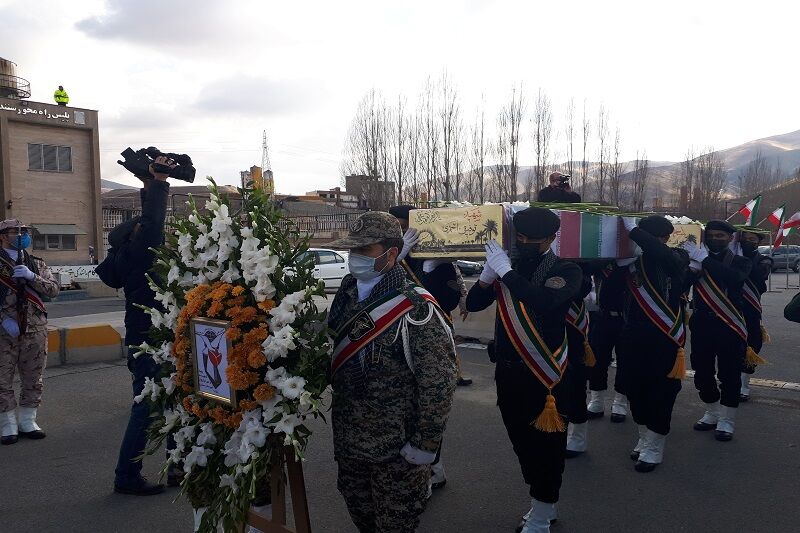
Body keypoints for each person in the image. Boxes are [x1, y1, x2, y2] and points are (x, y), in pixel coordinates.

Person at [325, 211, 458, 533]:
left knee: (395, 525)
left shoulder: (416, 307)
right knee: (362, 517)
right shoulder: (348, 290)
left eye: (365, 250)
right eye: (352, 250)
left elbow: (438, 383)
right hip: (350, 438)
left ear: (392, 253)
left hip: (396, 449)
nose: (355, 258)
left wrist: (424, 446)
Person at [466, 207, 582, 533]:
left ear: (551, 238)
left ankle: (544, 513)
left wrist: (506, 273)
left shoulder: (566, 269)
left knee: (546, 447)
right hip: (508, 371)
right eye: (519, 236)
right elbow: (473, 305)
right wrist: (489, 276)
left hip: (546, 376)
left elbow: (544, 302)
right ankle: (541, 500)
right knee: (521, 443)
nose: (524, 242)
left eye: (531, 238)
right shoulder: (509, 267)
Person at [99, 156, 174, 495]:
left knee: (170, 402)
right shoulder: (141, 253)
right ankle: (126, 477)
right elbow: (153, 222)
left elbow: (151, 223)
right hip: (150, 341)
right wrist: (157, 182)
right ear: (137, 237)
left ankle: (179, 465)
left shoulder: (130, 257)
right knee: (147, 408)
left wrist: (148, 182)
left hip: (145, 339)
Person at [388, 204, 469, 492]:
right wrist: (401, 256)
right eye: (396, 226)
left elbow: (443, 303)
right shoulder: (389, 255)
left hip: (426, 343)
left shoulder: (438, 258)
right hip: (394, 341)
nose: (401, 232)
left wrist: (431, 269)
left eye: (404, 226)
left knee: (425, 407)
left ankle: (433, 467)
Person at [617, 216, 689, 473]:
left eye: (659, 238)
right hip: (632, 335)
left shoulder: (677, 256)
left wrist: (635, 232)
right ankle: (644, 435)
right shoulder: (631, 260)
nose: (658, 242)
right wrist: (617, 266)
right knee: (634, 388)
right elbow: (610, 297)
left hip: (665, 336)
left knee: (662, 392)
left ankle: (655, 445)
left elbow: (667, 259)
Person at [685, 220, 752, 442]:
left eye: (720, 236)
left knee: (729, 374)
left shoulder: (741, 262)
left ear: (730, 238)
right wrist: (690, 268)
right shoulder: (698, 261)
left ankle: (727, 420)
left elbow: (734, 278)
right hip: (702, 325)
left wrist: (704, 260)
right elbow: (679, 285)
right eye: (711, 235)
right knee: (702, 373)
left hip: (729, 325)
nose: (715, 239)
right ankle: (712, 411)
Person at [0, 221, 59, 445]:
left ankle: (27, 421)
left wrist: (33, 277)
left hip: (35, 329)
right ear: (3, 236)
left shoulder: (35, 263)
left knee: (33, 378)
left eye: (24, 231)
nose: (22, 235)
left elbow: (53, 290)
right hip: (4, 331)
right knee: (2, 379)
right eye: (16, 232)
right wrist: (3, 319)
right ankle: (8, 424)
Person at [584, 260, 629, 422]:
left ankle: (620, 402)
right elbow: (586, 267)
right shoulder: (600, 262)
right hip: (601, 317)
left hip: (625, 319)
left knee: (625, 361)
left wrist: (622, 264)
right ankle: (597, 400)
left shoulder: (632, 261)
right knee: (597, 360)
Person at [736, 228, 772, 401]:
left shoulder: (764, 259)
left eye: (752, 239)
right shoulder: (732, 257)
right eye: (744, 238)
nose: (748, 242)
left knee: (753, 342)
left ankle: (744, 382)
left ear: (759, 242)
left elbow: (759, 275)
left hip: (751, 309)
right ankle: (733, 380)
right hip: (731, 307)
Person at [563, 267, 594, 458]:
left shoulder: (577, 264)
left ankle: (578, 438)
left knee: (575, 386)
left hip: (571, 332)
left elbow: (582, 288)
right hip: (545, 326)